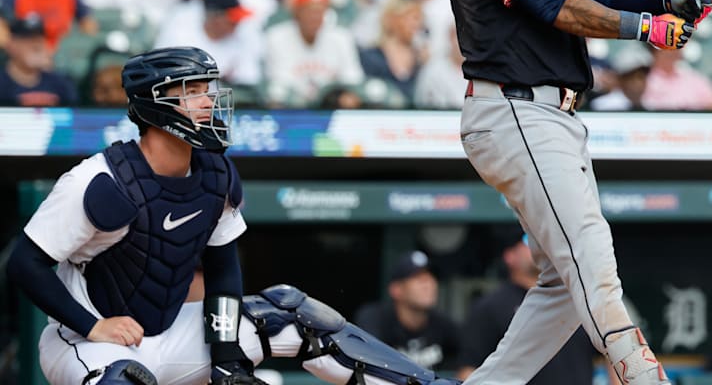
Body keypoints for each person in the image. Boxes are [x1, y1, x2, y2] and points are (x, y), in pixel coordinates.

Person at [6, 46, 463, 385]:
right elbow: (24, 264)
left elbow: (224, 268)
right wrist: (92, 326)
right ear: (154, 104)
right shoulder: (100, 179)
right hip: (92, 346)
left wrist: (225, 354)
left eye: (208, 90)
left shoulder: (214, 173)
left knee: (292, 312)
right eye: (193, 92)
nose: (208, 102)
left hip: (172, 336)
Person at [446, 0, 708, 385]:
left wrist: (667, 0)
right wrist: (644, 30)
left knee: (563, 286)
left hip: (545, 115)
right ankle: (641, 375)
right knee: (591, 254)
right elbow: (555, 7)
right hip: (515, 108)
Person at [458, 230, 600, 385]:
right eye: (529, 241)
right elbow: (469, 371)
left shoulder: (574, 298)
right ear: (510, 256)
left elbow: (609, 355)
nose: (541, 246)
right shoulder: (491, 306)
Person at [354, 251, 463, 373]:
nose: (428, 284)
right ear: (396, 290)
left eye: (430, 276)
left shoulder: (443, 324)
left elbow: (468, 360)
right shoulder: (376, 318)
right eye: (418, 278)